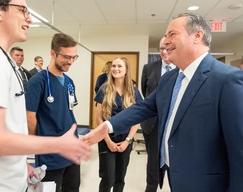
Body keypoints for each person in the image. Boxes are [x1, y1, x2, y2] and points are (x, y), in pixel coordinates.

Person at [83, 13, 243, 192]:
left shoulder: (227, 79)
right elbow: (144, 106)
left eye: (172, 34)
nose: (165, 41)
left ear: (197, 36)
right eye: (166, 35)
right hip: (175, 178)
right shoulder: (170, 78)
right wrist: (107, 126)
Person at [0, 0, 90, 192]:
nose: (29, 18)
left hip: (9, 181)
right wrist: (57, 144)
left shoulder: (3, 61)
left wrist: (21, 165)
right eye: (22, 10)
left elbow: (7, 127)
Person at [26, 33, 81, 192]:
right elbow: (30, 117)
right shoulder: (38, 81)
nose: (70, 61)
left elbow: (68, 111)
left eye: (74, 57)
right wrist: (42, 143)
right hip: (50, 154)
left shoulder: (69, 82)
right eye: (66, 57)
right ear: (53, 53)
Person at [95, 57, 142, 192]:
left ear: (126, 70)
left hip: (125, 139)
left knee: (120, 177)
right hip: (106, 138)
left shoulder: (134, 92)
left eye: (120, 66)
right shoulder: (104, 89)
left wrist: (128, 141)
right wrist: (108, 141)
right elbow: (98, 118)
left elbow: (136, 118)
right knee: (108, 177)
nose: (115, 69)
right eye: (114, 66)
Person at [140, 38, 175, 192]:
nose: (164, 51)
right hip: (152, 123)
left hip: (174, 122)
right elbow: (145, 92)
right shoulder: (149, 68)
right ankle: (151, 188)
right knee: (153, 159)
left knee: (175, 158)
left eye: (167, 47)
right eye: (161, 48)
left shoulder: (181, 68)